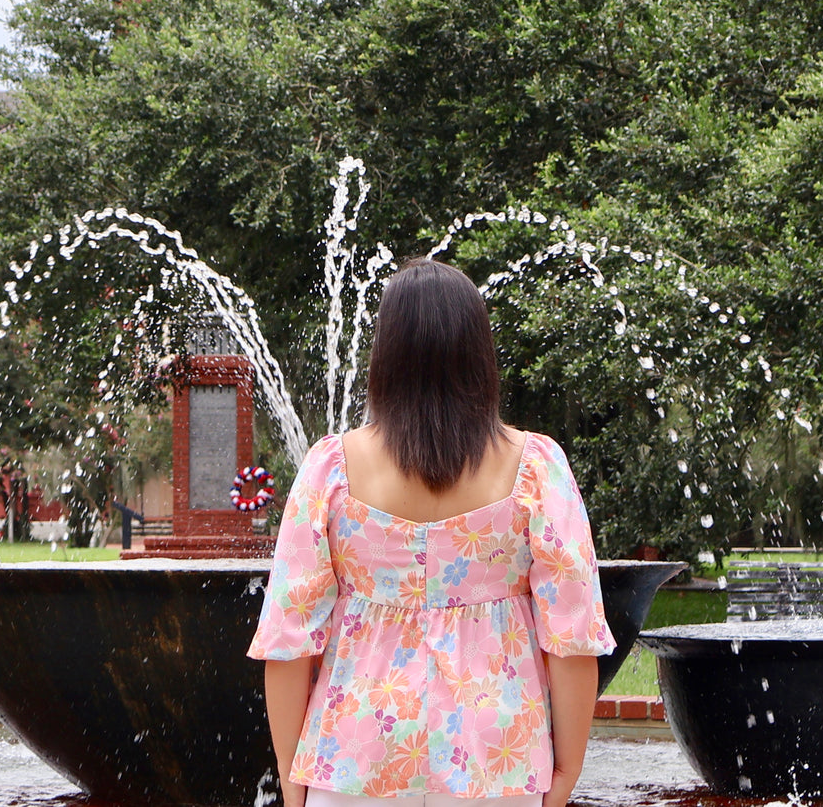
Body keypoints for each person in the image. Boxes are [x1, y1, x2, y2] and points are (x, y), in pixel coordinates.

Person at [249, 258, 615, 807]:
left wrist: (289, 767)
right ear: (477, 354)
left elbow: (289, 636)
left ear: (386, 354)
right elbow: (572, 634)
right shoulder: (536, 467)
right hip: (499, 754)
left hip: (355, 752)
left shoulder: (332, 468)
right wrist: (568, 765)